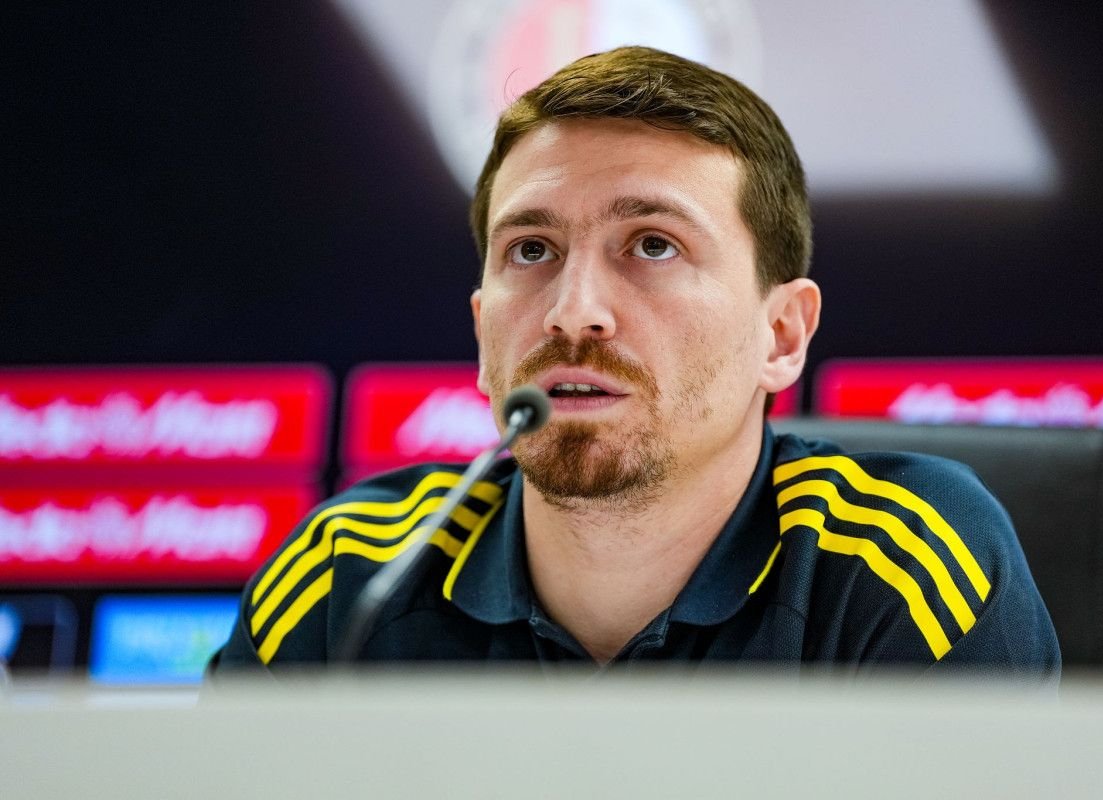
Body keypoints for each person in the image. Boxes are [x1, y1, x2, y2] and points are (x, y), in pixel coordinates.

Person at [209, 46, 1059, 678]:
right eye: (532, 250)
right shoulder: (348, 578)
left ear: (782, 336)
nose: (574, 310)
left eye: (653, 244)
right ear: (481, 332)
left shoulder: (898, 567)